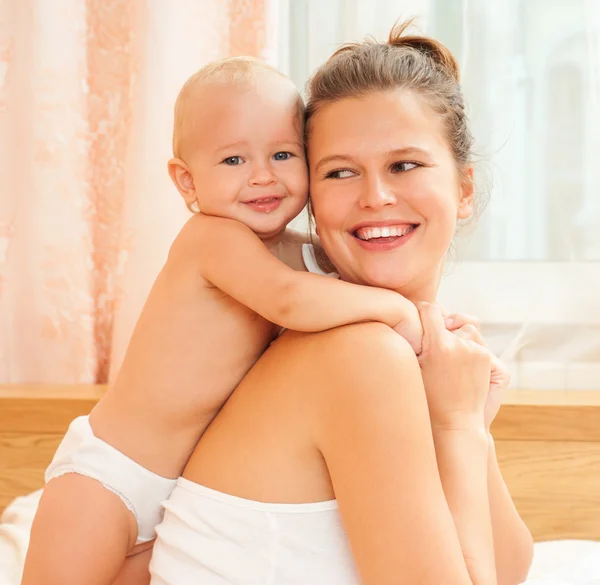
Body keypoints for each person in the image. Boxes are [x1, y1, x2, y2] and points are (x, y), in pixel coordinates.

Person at [145, 22, 534, 585]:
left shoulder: (404, 353)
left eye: (405, 164)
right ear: (308, 196)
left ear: (464, 190)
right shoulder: (359, 355)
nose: (375, 196)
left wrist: (467, 422)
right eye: (340, 172)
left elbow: (510, 568)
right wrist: (456, 426)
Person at [20, 58, 424, 585]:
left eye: (283, 154)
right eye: (233, 159)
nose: (262, 175)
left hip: (183, 494)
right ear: (187, 181)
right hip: (110, 476)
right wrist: (398, 310)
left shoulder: (301, 258)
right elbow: (289, 303)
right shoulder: (213, 239)